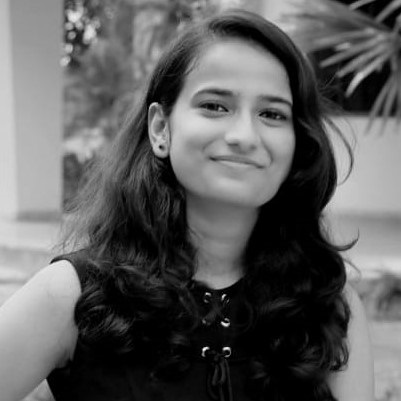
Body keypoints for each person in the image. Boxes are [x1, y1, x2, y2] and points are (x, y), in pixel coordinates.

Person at [0, 9, 374, 401]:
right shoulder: (74, 295)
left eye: (272, 114)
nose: (245, 136)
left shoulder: (329, 307)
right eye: (215, 106)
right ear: (161, 128)